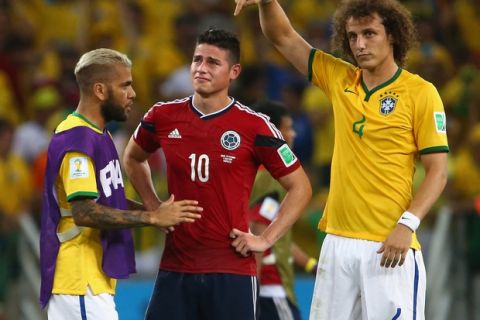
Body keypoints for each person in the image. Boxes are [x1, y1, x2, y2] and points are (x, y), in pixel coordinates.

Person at [234, 0, 449, 319]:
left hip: (389, 244)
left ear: (392, 35)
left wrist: (407, 224)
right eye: (352, 36)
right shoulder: (340, 79)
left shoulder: (421, 92)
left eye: (370, 33)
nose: (360, 44)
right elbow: (283, 37)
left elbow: (438, 172)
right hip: (337, 244)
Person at [123, 28, 312, 320]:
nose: (201, 68)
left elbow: (300, 187)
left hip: (232, 271)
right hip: (176, 267)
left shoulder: (255, 126)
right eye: (197, 59)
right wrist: (152, 205)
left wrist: (266, 239)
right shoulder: (161, 116)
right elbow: (133, 158)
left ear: (234, 71)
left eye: (213, 62)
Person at [40, 48, 202, 320]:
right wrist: (151, 217)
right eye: (125, 85)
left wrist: (159, 211)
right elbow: (84, 212)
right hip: (78, 279)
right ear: (100, 90)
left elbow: (108, 197)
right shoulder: (78, 141)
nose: (133, 93)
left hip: (91, 280)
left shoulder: (97, 135)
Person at [249, 100, 317, 320]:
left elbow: (278, 235)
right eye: (288, 128)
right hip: (270, 287)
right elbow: (259, 230)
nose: (293, 134)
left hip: (266, 287)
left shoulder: (253, 173)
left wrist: (309, 264)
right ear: (273, 131)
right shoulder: (272, 178)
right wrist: (252, 289)